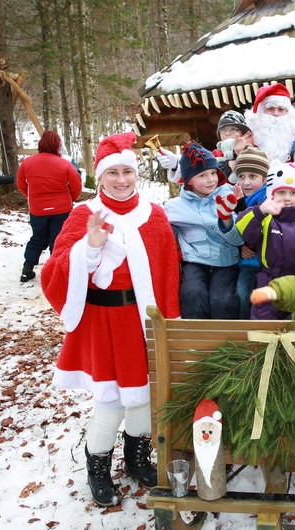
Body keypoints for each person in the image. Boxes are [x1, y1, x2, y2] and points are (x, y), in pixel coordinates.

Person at [40, 132, 181, 508]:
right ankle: (98, 465)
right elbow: (54, 271)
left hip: (143, 321)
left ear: (137, 175)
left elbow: (169, 270)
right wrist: (89, 247)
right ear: (100, 177)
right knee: (111, 400)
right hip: (102, 322)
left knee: (144, 394)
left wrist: (169, 320)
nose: (121, 180)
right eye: (112, 173)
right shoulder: (83, 215)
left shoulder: (154, 215)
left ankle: (137, 458)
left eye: (127, 172)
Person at [235, 162, 295, 319]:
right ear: (271, 194)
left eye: (292, 193)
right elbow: (243, 227)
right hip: (271, 279)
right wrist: (261, 211)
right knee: (264, 320)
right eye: (281, 192)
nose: (287, 198)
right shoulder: (265, 218)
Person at [164, 142, 243, 319]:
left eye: (213, 173)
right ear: (188, 180)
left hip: (225, 261)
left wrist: (226, 219)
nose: (211, 179)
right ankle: (194, 335)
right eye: (202, 175)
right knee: (192, 293)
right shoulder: (174, 207)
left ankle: (224, 335)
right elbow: (163, 234)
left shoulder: (228, 195)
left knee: (222, 299)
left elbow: (238, 240)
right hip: (195, 262)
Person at [16, 130, 82, 282]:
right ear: (57, 145)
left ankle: (27, 269)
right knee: (57, 239)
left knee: (37, 238)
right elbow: (76, 186)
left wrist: (32, 197)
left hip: (38, 209)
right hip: (61, 209)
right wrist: (70, 199)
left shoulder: (27, 163)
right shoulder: (65, 164)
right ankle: (55, 271)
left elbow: (21, 184)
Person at [229, 145, 270, 319]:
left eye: (252, 176)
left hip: (268, 262)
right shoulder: (236, 200)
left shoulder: (269, 200)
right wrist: (240, 247)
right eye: (241, 176)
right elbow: (232, 230)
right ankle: (246, 327)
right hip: (248, 262)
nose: (246, 182)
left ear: (264, 178)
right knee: (242, 292)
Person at [245, 83, 295, 163]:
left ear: (288, 113)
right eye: (270, 108)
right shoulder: (248, 138)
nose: (276, 113)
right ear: (260, 111)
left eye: (281, 109)